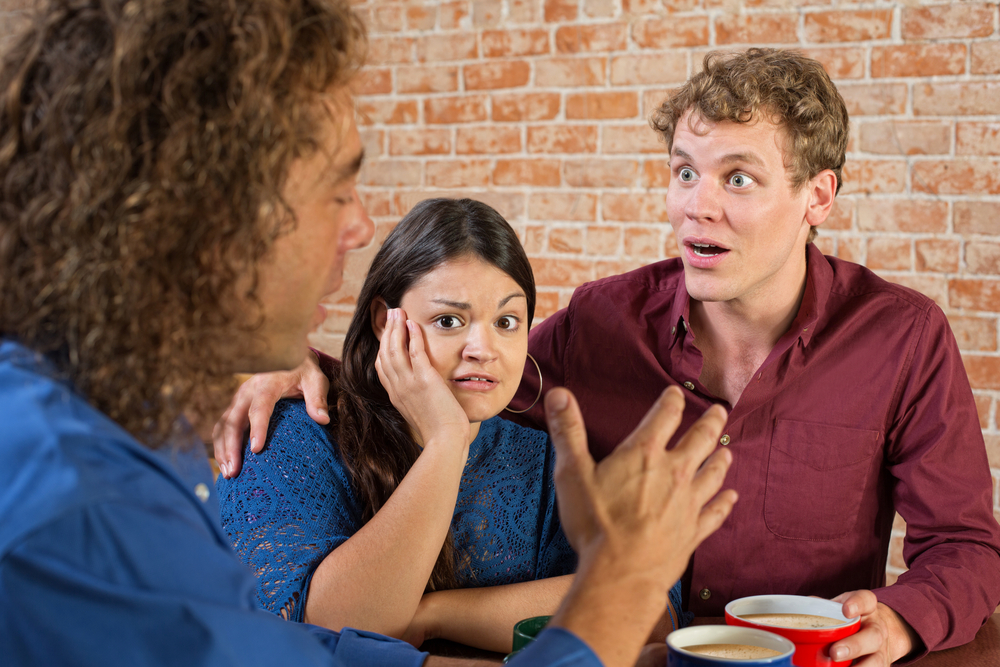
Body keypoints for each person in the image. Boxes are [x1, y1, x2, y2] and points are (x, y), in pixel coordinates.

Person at [0, 2, 739, 667]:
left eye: (508, 318)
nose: (358, 226)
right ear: (207, 218)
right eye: (336, 189)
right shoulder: (84, 515)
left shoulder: (100, 427)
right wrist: (617, 584)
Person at [215, 48, 1000, 666]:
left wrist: (905, 615)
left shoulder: (903, 336)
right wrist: (306, 364)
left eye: (738, 178)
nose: (699, 202)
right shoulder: (602, 321)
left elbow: (965, 545)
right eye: (685, 171)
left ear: (818, 197)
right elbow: (474, 372)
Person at [217, 198, 692, 653]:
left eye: (507, 321)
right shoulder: (294, 434)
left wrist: (432, 614)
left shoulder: (540, 459)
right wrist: (445, 442)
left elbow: (649, 606)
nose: (481, 348)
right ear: (386, 322)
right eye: (448, 320)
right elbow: (320, 630)